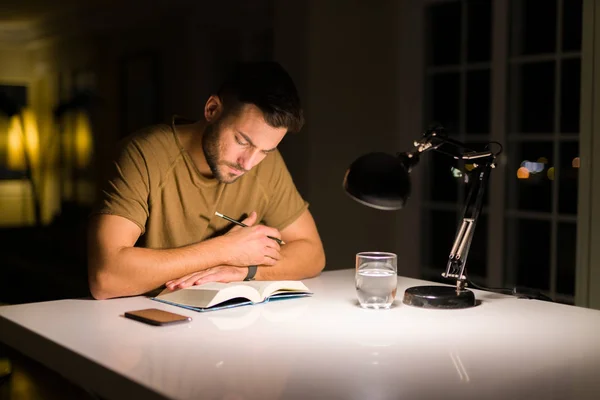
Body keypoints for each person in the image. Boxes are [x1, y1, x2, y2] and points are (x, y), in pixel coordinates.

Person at [87, 62, 326, 300]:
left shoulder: (265, 164)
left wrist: (246, 270)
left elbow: (313, 253)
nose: (248, 163)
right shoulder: (143, 155)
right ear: (212, 109)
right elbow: (106, 277)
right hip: (138, 322)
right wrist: (226, 249)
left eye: (266, 150)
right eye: (242, 141)